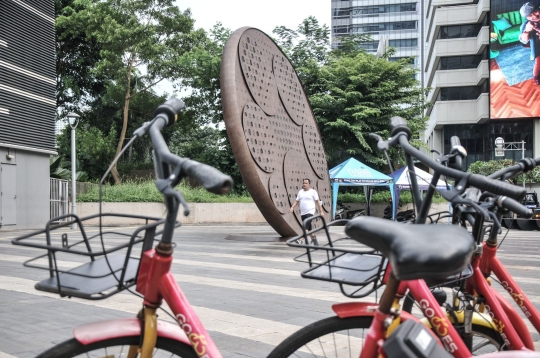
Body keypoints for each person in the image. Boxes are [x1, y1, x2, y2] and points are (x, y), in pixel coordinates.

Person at [289, 178, 324, 245]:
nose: (304, 184)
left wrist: (321, 211)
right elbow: (297, 201)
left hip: (310, 212)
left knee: (305, 226)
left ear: (309, 184)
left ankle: (301, 240)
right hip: (303, 213)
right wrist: (292, 207)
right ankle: (314, 240)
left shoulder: (313, 192)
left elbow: (318, 202)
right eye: (303, 183)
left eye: (306, 183)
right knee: (309, 228)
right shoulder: (300, 192)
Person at [519, 2, 540, 85]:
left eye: (535, 12)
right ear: (527, 17)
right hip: (538, 48)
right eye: (530, 15)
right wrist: (527, 31)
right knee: (538, 63)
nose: (534, 16)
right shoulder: (525, 25)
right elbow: (523, 40)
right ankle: (535, 78)